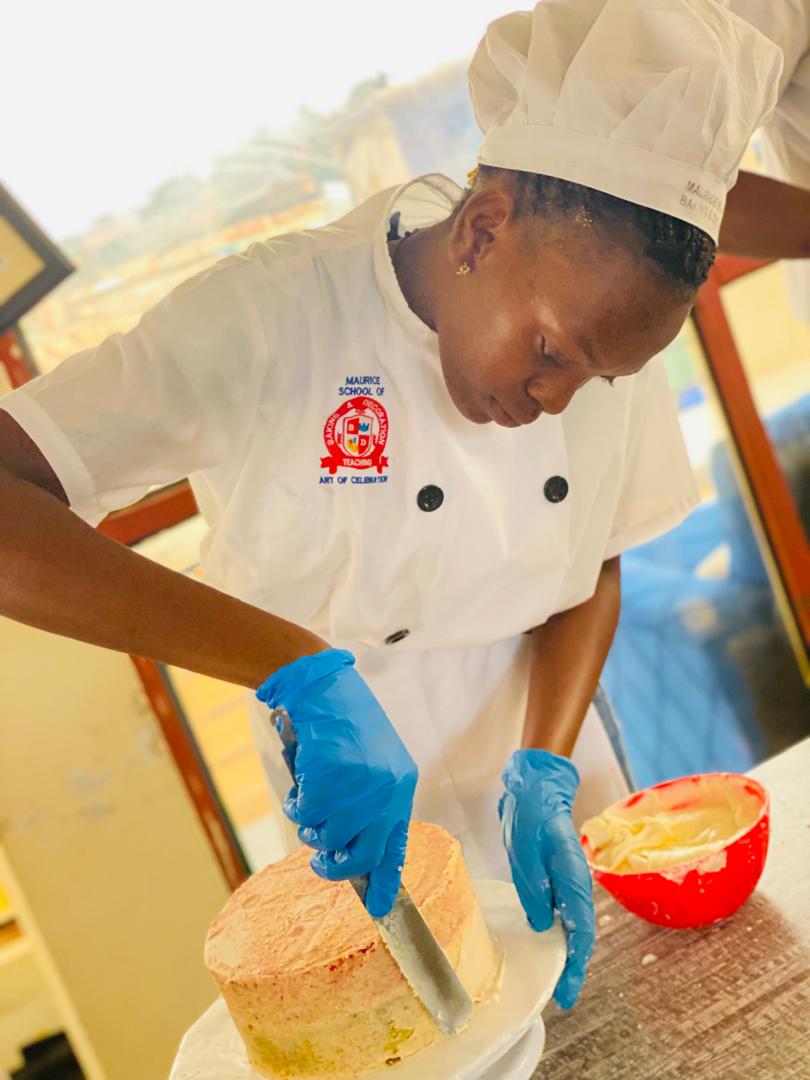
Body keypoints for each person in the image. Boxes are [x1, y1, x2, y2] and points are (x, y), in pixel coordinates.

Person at [0, 0, 781, 1010]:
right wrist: (296, 671)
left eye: (590, 378)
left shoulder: (600, 322)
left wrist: (545, 758)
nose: (553, 399)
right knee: (428, 1034)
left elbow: (596, 559)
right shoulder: (272, 316)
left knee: (612, 1020)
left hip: (548, 745)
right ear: (484, 225)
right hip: (346, 773)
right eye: (546, 353)